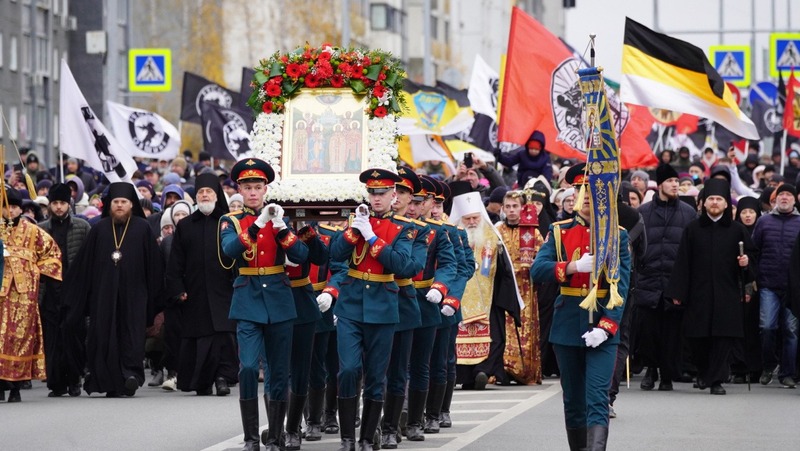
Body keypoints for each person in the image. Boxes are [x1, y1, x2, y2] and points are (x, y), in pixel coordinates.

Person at [530, 163, 631, 450]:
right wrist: (572, 266)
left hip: (602, 325)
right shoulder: (559, 231)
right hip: (567, 324)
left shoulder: (617, 235)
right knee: (573, 399)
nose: (585, 196)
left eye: (591, 190)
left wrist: (607, 326)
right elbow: (538, 271)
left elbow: (621, 286)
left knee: (597, 397)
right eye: (580, 190)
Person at [219, 158, 309, 451]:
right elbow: (230, 251)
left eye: (258, 187)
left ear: (266, 188)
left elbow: (301, 254)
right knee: (247, 367)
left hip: (279, 299)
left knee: (279, 371)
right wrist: (257, 225)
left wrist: (281, 227)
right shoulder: (230, 220)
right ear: (240, 190)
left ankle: (275, 436)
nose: (253, 192)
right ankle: (250, 437)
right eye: (248, 188)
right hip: (247, 298)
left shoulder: (278, 218)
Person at [323, 168, 414, 451]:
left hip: (383, 306)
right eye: (372, 193)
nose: (376, 198)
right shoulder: (356, 222)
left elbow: (403, 265)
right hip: (351, 305)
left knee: (376, 376)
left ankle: (366, 438)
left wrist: (372, 238)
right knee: (348, 369)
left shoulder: (404, 228)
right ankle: (348, 438)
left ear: (393, 195)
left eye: (382, 193)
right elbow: (334, 254)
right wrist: (355, 231)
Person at [62, 182, 163, 397]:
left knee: (132, 334)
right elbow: (84, 265)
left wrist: (155, 296)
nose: (119, 206)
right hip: (104, 295)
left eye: (124, 202)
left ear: (131, 205)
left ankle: (131, 375)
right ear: (110, 205)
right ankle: (107, 379)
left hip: (135, 294)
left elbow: (154, 265)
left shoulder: (142, 228)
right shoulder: (99, 229)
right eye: (116, 202)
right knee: (104, 335)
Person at [665, 178, 755, 395]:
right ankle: (704, 373)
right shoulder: (693, 229)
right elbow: (683, 262)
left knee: (723, 338)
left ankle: (716, 380)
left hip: (727, 292)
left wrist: (746, 264)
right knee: (698, 338)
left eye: (719, 199)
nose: (715, 203)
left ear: (726, 204)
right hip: (699, 293)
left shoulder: (737, 230)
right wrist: (678, 292)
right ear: (704, 203)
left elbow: (751, 258)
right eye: (711, 199)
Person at [165, 173, 239, 396]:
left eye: (209, 192)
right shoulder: (186, 225)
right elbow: (176, 261)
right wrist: (178, 289)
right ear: (196, 197)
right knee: (201, 337)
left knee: (223, 335)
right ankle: (202, 381)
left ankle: (222, 377)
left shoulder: (229, 221)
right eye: (201, 193)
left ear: (217, 195)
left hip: (224, 289)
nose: (205, 196)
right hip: (195, 291)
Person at [632, 164, 698, 392]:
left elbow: (692, 250)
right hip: (648, 279)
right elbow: (634, 244)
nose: (675, 185)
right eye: (670, 181)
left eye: (677, 182)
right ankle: (651, 370)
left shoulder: (688, 213)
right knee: (648, 331)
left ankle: (668, 374)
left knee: (672, 333)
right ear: (660, 184)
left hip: (674, 280)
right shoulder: (643, 212)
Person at [379, 166, 427, 449]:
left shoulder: (416, 231)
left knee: (398, 369)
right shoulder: (367, 221)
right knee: (370, 370)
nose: (396, 197)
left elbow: (411, 266)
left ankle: (392, 424)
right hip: (369, 301)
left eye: (404, 191)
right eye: (391, 191)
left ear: (410, 197)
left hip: (401, 302)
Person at [0, 187, 63, 403]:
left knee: (20, 338)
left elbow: (52, 254)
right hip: (1, 293)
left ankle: (16, 386)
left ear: (21, 209)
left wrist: (38, 271)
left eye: (15, 207)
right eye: (7, 207)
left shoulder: (33, 231)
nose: (11, 212)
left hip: (23, 295)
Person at [452, 192, 519, 389]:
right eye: (468, 219)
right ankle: (463, 376)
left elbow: (503, 270)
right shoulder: (451, 234)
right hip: (458, 298)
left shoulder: (491, 235)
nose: (472, 222)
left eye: (475, 218)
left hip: (487, 297)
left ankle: (482, 371)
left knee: (493, 335)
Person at [37, 183, 91, 398]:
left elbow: (88, 260)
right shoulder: (41, 229)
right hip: (50, 290)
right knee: (53, 338)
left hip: (74, 290)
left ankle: (74, 379)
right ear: (49, 205)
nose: (59, 207)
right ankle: (57, 382)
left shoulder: (82, 227)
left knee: (73, 335)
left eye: (62, 203)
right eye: (55, 203)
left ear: (69, 204)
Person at [750, 183, 800, 388]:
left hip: (794, 286)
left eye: (789, 195)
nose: (785, 198)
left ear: (795, 199)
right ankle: (768, 366)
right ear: (775, 199)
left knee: (791, 330)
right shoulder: (764, 221)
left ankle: (787, 372)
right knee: (767, 327)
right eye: (782, 195)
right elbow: (754, 250)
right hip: (768, 284)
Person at [497, 191, 544, 385]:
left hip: (525, 286)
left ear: (522, 208)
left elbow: (542, 256)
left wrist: (534, 262)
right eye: (507, 207)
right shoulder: (497, 230)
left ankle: (525, 370)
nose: (511, 211)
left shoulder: (532, 231)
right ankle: (503, 368)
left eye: (515, 206)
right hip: (504, 286)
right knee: (503, 327)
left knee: (525, 327)